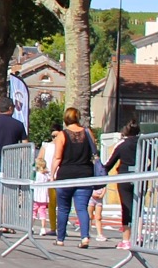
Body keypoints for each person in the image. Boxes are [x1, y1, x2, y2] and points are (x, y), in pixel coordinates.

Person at [50, 106, 99, 247]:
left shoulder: (62, 135)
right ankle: (85, 237)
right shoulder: (88, 132)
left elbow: (57, 157)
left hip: (66, 174)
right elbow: (94, 151)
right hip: (85, 174)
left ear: (66, 119)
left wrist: (52, 175)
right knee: (82, 208)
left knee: (64, 208)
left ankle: (60, 239)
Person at [105, 119, 141, 249]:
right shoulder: (144, 144)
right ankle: (138, 235)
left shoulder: (122, 145)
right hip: (141, 176)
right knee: (139, 207)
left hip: (125, 176)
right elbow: (156, 160)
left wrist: (100, 173)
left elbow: (110, 163)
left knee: (126, 207)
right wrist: (146, 171)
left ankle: (126, 239)